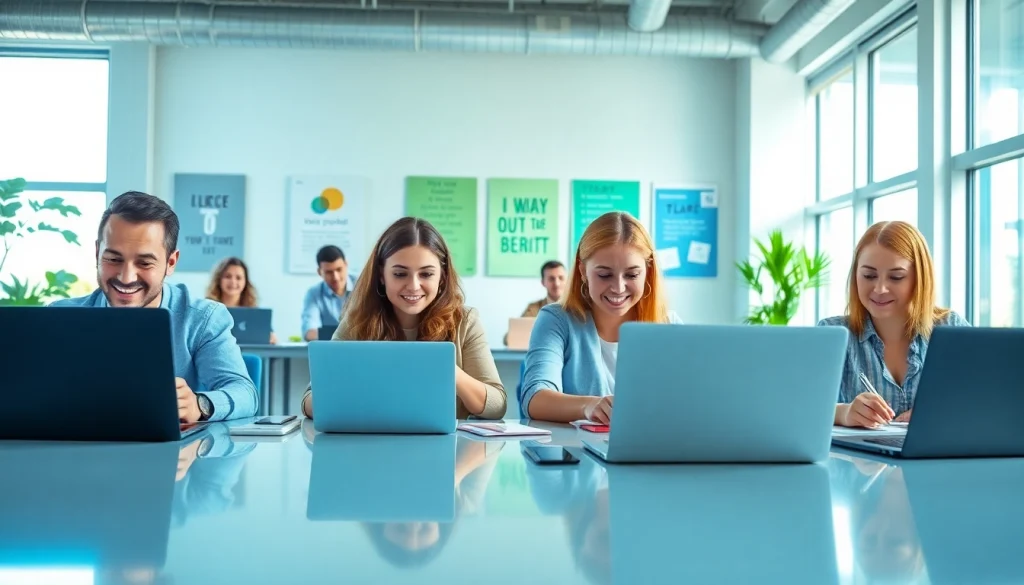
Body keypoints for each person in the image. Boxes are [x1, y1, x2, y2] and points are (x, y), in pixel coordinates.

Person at [50, 191, 258, 423]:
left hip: (172, 455)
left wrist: (200, 404)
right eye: (114, 259)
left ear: (170, 263)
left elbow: (245, 393)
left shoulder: (203, 319)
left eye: (144, 263)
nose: (126, 277)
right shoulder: (60, 317)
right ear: (97, 253)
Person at [301, 217, 507, 420]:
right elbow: (309, 401)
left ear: (442, 276)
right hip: (372, 447)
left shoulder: (465, 321)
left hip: (447, 451)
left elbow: (497, 406)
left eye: (426, 274)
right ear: (381, 275)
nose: (413, 286)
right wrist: (357, 384)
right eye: (400, 274)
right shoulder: (357, 321)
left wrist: (448, 370)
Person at [519, 211, 680, 425]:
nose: (618, 288)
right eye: (604, 275)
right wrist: (589, 406)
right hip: (580, 453)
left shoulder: (669, 325)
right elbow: (535, 398)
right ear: (582, 270)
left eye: (632, 275)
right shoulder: (556, 320)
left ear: (648, 272)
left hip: (652, 452)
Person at [818, 220, 971, 429]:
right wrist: (844, 413)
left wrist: (943, 413)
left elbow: (988, 399)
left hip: (936, 460)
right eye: (869, 276)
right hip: (857, 462)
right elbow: (801, 407)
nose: (880, 288)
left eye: (896, 277)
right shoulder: (833, 334)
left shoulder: (952, 328)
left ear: (920, 279)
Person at [206, 256, 277, 344]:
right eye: (228, 276)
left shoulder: (257, 316)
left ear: (245, 282)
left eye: (238, 278)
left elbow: (270, 351)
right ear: (218, 280)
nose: (233, 282)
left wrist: (271, 339)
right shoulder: (207, 311)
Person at [503, 259, 567, 346]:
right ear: (543, 282)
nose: (557, 283)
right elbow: (508, 339)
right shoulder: (534, 308)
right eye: (551, 279)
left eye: (561, 278)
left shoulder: (578, 307)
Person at [301, 244, 357, 341]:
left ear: (346, 264)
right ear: (319, 272)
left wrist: (329, 334)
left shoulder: (363, 285)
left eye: (339, 269)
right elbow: (309, 333)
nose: (336, 277)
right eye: (329, 272)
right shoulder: (314, 294)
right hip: (330, 351)